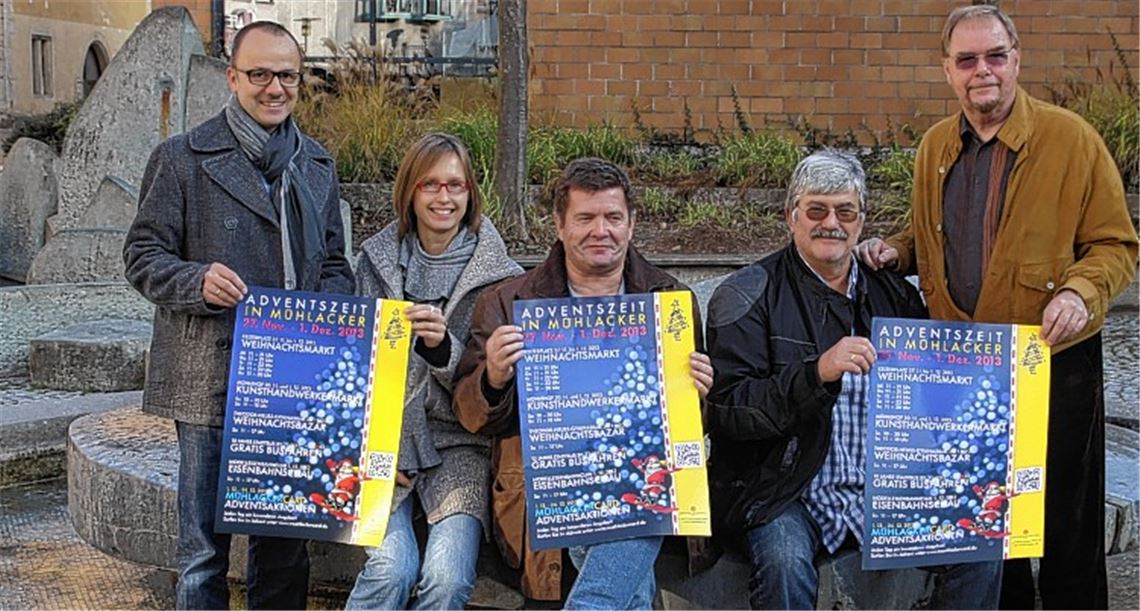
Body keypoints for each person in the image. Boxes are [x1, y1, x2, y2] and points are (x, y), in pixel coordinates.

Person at [855, 5, 1139, 609]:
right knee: (986, 526)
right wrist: (897, 249)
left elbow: (1115, 245)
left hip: (1054, 362)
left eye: (994, 56)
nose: (981, 71)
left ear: (1016, 60)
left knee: (1066, 523)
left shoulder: (1071, 140)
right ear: (947, 71)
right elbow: (933, 234)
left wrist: (1079, 292)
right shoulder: (935, 145)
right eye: (966, 60)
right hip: (964, 372)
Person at [705, 150, 1004, 610]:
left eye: (846, 211)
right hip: (784, 491)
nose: (832, 223)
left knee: (978, 542)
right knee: (784, 561)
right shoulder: (746, 294)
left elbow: (934, 398)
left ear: (862, 221)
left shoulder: (894, 294)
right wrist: (816, 374)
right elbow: (727, 410)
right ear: (790, 217)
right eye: (816, 210)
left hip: (883, 490)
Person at [123, 21, 354, 610]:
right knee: (203, 555)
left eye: (287, 76)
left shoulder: (316, 165)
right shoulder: (181, 158)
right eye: (260, 74)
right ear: (232, 77)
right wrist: (196, 280)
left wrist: (320, 315)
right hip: (209, 379)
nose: (274, 88)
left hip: (295, 383)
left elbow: (334, 264)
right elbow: (142, 256)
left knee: (284, 549)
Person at [452, 158, 714, 609]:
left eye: (613, 217)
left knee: (637, 501)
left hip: (643, 481)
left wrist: (700, 396)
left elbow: (693, 427)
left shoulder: (669, 301)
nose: (601, 231)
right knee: (630, 574)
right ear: (558, 224)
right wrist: (493, 379)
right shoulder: (508, 301)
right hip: (550, 487)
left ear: (632, 224)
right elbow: (470, 415)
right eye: (585, 218)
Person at [344, 133, 523, 610]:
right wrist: (372, 450)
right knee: (390, 569)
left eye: (456, 186)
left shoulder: (502, 279)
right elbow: (350, 368)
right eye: (430, 185)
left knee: (446, 579)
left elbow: (492, 390)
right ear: (410, 191)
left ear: (470, 195)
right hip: (379, 444)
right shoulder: (373, 263)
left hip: (461, 447)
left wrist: (444, 346)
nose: (444, 198)